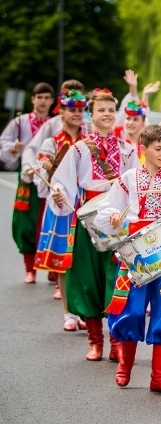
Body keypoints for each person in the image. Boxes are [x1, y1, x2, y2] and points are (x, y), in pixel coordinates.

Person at [95, 124, 161, 395]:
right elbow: (107, 211)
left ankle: (159, 376)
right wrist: (115, 218)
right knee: (132, 309)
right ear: (144, 150)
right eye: (158, 149)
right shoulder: (129, 178)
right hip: (135, 253)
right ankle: (125, 367)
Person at [49, 90, 139, 362]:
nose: (107, 114)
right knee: (88, 282)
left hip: (117, 220)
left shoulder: (128, 149)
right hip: (88, 221)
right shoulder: (77, 149)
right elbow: (62, 181)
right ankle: (95, 341)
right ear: (91, 114)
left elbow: (135, 186)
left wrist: (128, 215)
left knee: (115, 281)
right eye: (101, 110)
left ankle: (115, 341)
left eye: (111, 110)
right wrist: (59, 194)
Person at [32, 89, 87, 329]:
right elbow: (40, 174)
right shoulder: (52, 142)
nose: (76, 114)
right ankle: (68, 313)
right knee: (65, 262)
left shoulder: (90, 140)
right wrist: (46, 170)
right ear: (61, 112)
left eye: (80, 110)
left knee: (84, 260)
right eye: (71, 110)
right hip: (62, 205)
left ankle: (83, 309)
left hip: (85, 204)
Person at [1, 82, 55, 282]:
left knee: (50, 221)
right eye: (39, 97)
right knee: (25, 222)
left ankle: (52, 267)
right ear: (32, 99)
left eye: (46, 97)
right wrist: (13, 149)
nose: (43, 101)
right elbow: (4, 142)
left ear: (52, 101)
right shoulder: (20, 122)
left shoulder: (54, 123)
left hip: (50, 179)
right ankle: (29, 267)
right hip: (28, 177)